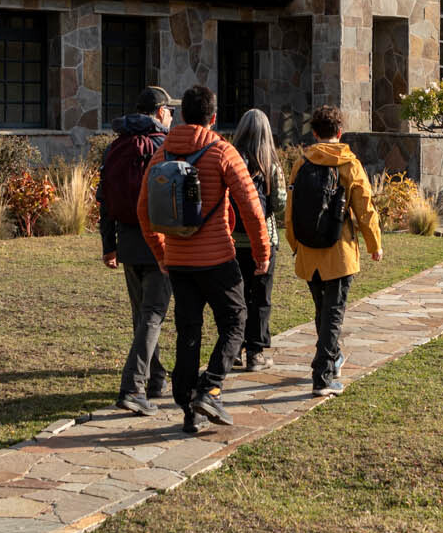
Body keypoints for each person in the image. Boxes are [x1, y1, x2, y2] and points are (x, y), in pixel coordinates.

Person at [137, 85, 271, 434]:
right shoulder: (222, 152)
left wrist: (162, 253)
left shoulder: (162, 153)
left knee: (188, 331)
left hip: (179, 262)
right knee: (235, 320)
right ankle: (210, 388)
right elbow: (252, 210)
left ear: (182, 116)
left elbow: (143, 212)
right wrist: (262, 253)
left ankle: (189, 409)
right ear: (213, 118)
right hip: (217, 260)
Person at [285, 105, 382, 397]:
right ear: (339, 132)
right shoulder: (349, 164)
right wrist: (374, 244)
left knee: (323, 311)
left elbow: (291, 210)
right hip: (339, 252)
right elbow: (365, 209)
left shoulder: (301, 163)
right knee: (333, 313)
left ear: (314, 132)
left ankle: (332, 357)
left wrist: (295, 244)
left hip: (308, 251)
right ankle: (323, 376)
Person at [99, 85, 175, 416]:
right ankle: (134, 387)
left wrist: (109, 245)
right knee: (154, 314)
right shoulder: (165, 147)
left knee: (142, 315)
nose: (172, 116)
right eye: (170, 110)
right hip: (159, 240)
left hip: (128, 241)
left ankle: (155, 377)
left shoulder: (117, 145)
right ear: (160, 112)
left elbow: (104, 200)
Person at [229, 108, 287, 372]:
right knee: (261, 297)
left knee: (236, 298)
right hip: (263, 240)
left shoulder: (230, 161)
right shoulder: (271, 165)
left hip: (232, 241)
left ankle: (234, 349)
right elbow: (279, 204)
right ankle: (255, 353)